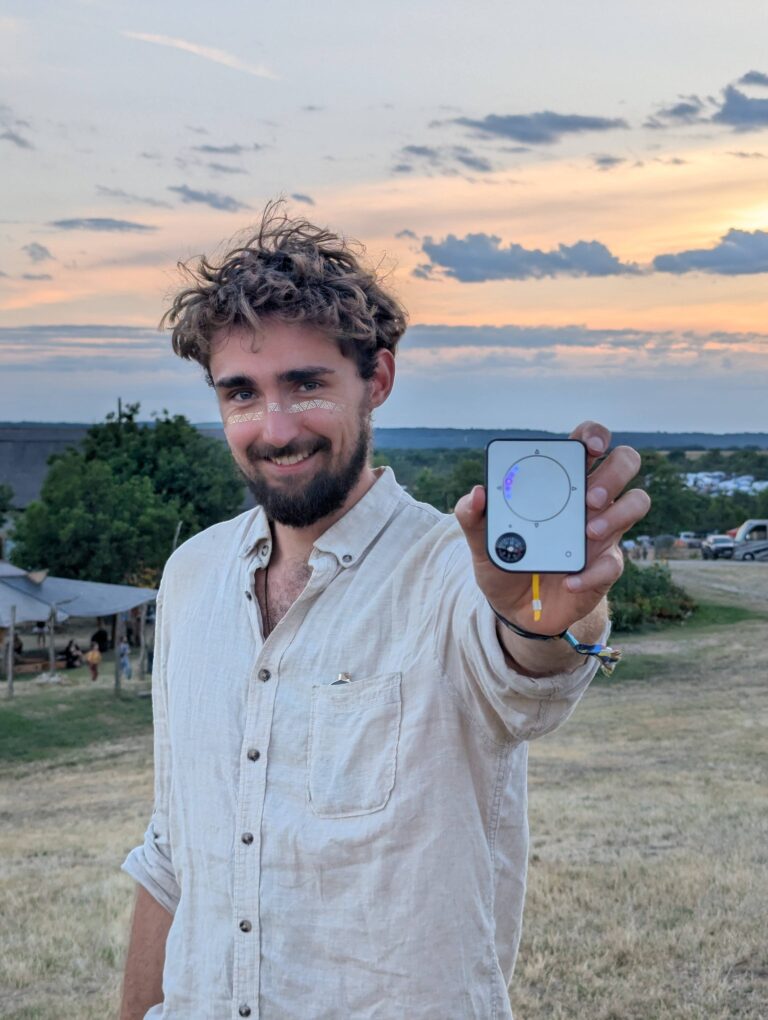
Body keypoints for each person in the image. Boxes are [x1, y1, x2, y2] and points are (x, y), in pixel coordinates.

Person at [120, 205, 650, 1020]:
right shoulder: (190, 576)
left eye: (306, 384)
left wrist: (543, 623)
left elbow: (529, 676)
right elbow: (171, 850)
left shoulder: (455, 574)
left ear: (378, 381)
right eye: (242, 393)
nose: (276, 428)